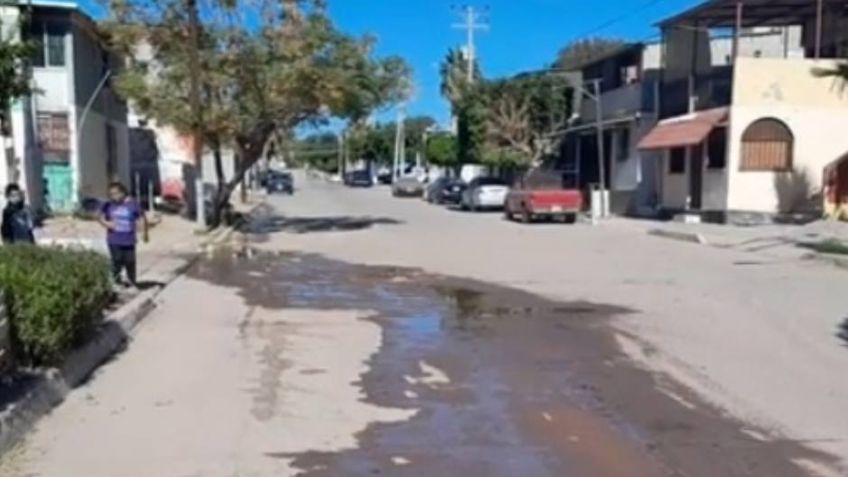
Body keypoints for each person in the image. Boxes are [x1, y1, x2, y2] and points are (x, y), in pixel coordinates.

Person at [99, 182, 148, 288]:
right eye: (111, 194)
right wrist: (107, 224)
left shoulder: (132, 203)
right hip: (114, 239)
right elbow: (100, 217)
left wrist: (144, 232)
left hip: (128, 239)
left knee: (130, 261)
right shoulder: (108, 205)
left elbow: (141, 217)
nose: (114, 197)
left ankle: (132, 281)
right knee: (117, 260)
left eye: (116, 194)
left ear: (123, 192)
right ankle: (116, 281)